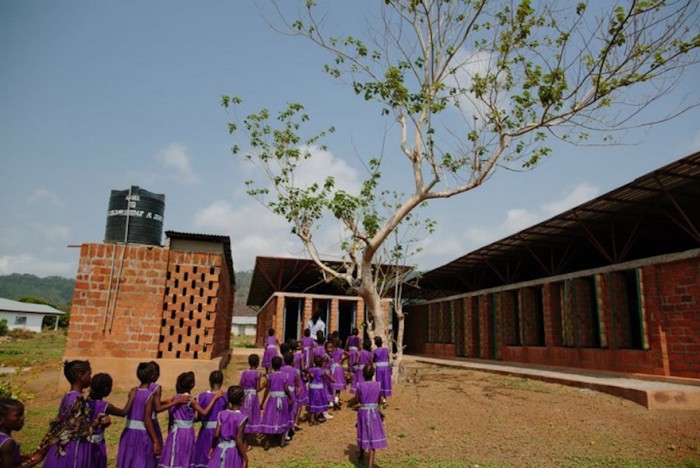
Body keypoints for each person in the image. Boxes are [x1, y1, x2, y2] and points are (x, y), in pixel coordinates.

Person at [116, 362, 182, 468]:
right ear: (152, 375)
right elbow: (148, 418)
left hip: (128, 433)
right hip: (143, 434)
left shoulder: (133, 391)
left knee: (129, 459)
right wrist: (155, 440)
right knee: (142, 460)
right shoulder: (150, 395)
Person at [158, 372, 223, 468]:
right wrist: (214, 398)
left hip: (174, 432)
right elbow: (204, 412)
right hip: (186, 433)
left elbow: (169, 413)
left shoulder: (175, 398)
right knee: (184, 455)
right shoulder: (190, 400)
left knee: (174, 454)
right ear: (192, 385)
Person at [41, 360, 93, 468]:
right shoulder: (78, 400)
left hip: (63, 445)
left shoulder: (68, 396)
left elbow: (58, 422)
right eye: (89, 374)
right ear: (80, 376)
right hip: (74, 448)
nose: (90, 378)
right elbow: (79, 429)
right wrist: (96, 423)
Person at [87, 373, 136, 468]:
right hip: (97, 444)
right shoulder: (104, 406)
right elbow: (123, 412)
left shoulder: (85, 402)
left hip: (85, 442)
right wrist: (131, 397)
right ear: (106, 389)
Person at [193, 371, 228, 468]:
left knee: (203, 455)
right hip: (220, 431)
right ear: (221, 382)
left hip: (205, 431)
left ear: (210, 381)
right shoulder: (225, 396)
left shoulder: (202, 396)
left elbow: (200, 416)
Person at [207, 386, 248, 468]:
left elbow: (216, 434)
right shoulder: (242, 417)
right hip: (232, 452)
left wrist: (212, 447)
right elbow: (239, 440)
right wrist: (245, 458)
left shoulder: (221, 414)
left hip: (220, 449)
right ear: (242, 399)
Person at [356, 365, 387, 467]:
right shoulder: (377, 385)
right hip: (374, 413)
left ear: (363, 374)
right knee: (372, 438)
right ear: (373, 374)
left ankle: (361, 455)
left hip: (363, 412)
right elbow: (379, 400)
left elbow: (357, 399)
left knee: (362, 432)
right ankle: (370, 465)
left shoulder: (359, 385)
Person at [258, 357, 292, 450]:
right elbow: (286, 388)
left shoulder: (270, 376)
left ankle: (267, 441)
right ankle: (282, 441)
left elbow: (267, 390)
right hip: (282, 399)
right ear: (281, 365)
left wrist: (263, 402)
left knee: (270, 417)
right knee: (284, 417)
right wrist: (290, 397)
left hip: (272, 400)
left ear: (272, 365)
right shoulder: (285, 375)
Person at [0, 398, 43, 467]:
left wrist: (23, 458)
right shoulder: (7, 443)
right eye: (17, 415)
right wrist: (36, 461)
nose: (22, 418)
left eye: (22, 414)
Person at [238, 354, 263, 444]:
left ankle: (243, 433)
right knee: (253, 414)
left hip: (244, 396)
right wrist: (264, 386)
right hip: (253, 398)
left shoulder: (244, 373)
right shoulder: (258, 374)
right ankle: (248, 438)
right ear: (257, 363)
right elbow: (257, 389)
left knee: (244, 413)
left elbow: (240, 385)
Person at [305, 355, 334, 425]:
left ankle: (311, 419)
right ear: (321, 363)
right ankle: (316, 418)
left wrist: (309, 374)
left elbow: (306, 372)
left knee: (312, 402)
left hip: (312, 389)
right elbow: (329, 379)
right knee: (319, 402)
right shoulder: (322, 371)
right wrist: (332, 380)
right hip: (320, 389)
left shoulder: (311, 370)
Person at [280, 351, 301, 436]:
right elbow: (297, 384)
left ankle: (281, 429)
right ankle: (288, 430)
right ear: (293, 361)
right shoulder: (295, 371)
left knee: (282, 411)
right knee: (291, 411)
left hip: (282, 393)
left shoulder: (280, 369)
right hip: (291, 393)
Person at [373, 336, 392, 403]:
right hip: (386, 368)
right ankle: (385, 398)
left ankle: (380, 398)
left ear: (375, 344)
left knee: (379, 382)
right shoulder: (386, 350)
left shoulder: (375, 351)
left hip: (379, 368)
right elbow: (388, 358)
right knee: (385, 381)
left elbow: (374, 360)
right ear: (382, 342)